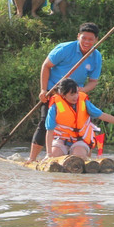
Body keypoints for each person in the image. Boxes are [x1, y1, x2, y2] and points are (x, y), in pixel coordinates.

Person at [27, 22, 103, 163]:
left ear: (96, 40)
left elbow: (93, 81)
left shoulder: (96, 56)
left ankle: (84, 158)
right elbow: (46, 66)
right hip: (54, 91)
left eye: (90, 39)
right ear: (78, 36)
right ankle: (32, 158)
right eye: (84, 38)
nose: (86, 42)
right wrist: (43, 90)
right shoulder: (64, 48)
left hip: (76, 94)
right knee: (45, 122)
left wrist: (81, 91)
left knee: (84, 124)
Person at [45, 79, 114, 158]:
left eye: (77, 93)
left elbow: (103, 115)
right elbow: (49, 131)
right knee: (54, 156)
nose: (76, 97)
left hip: (80, 140)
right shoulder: (55, 107)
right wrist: (48, 154)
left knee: (78, 158)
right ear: (63, 95)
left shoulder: (84, 103)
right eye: (72, 94)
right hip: (61, 140)